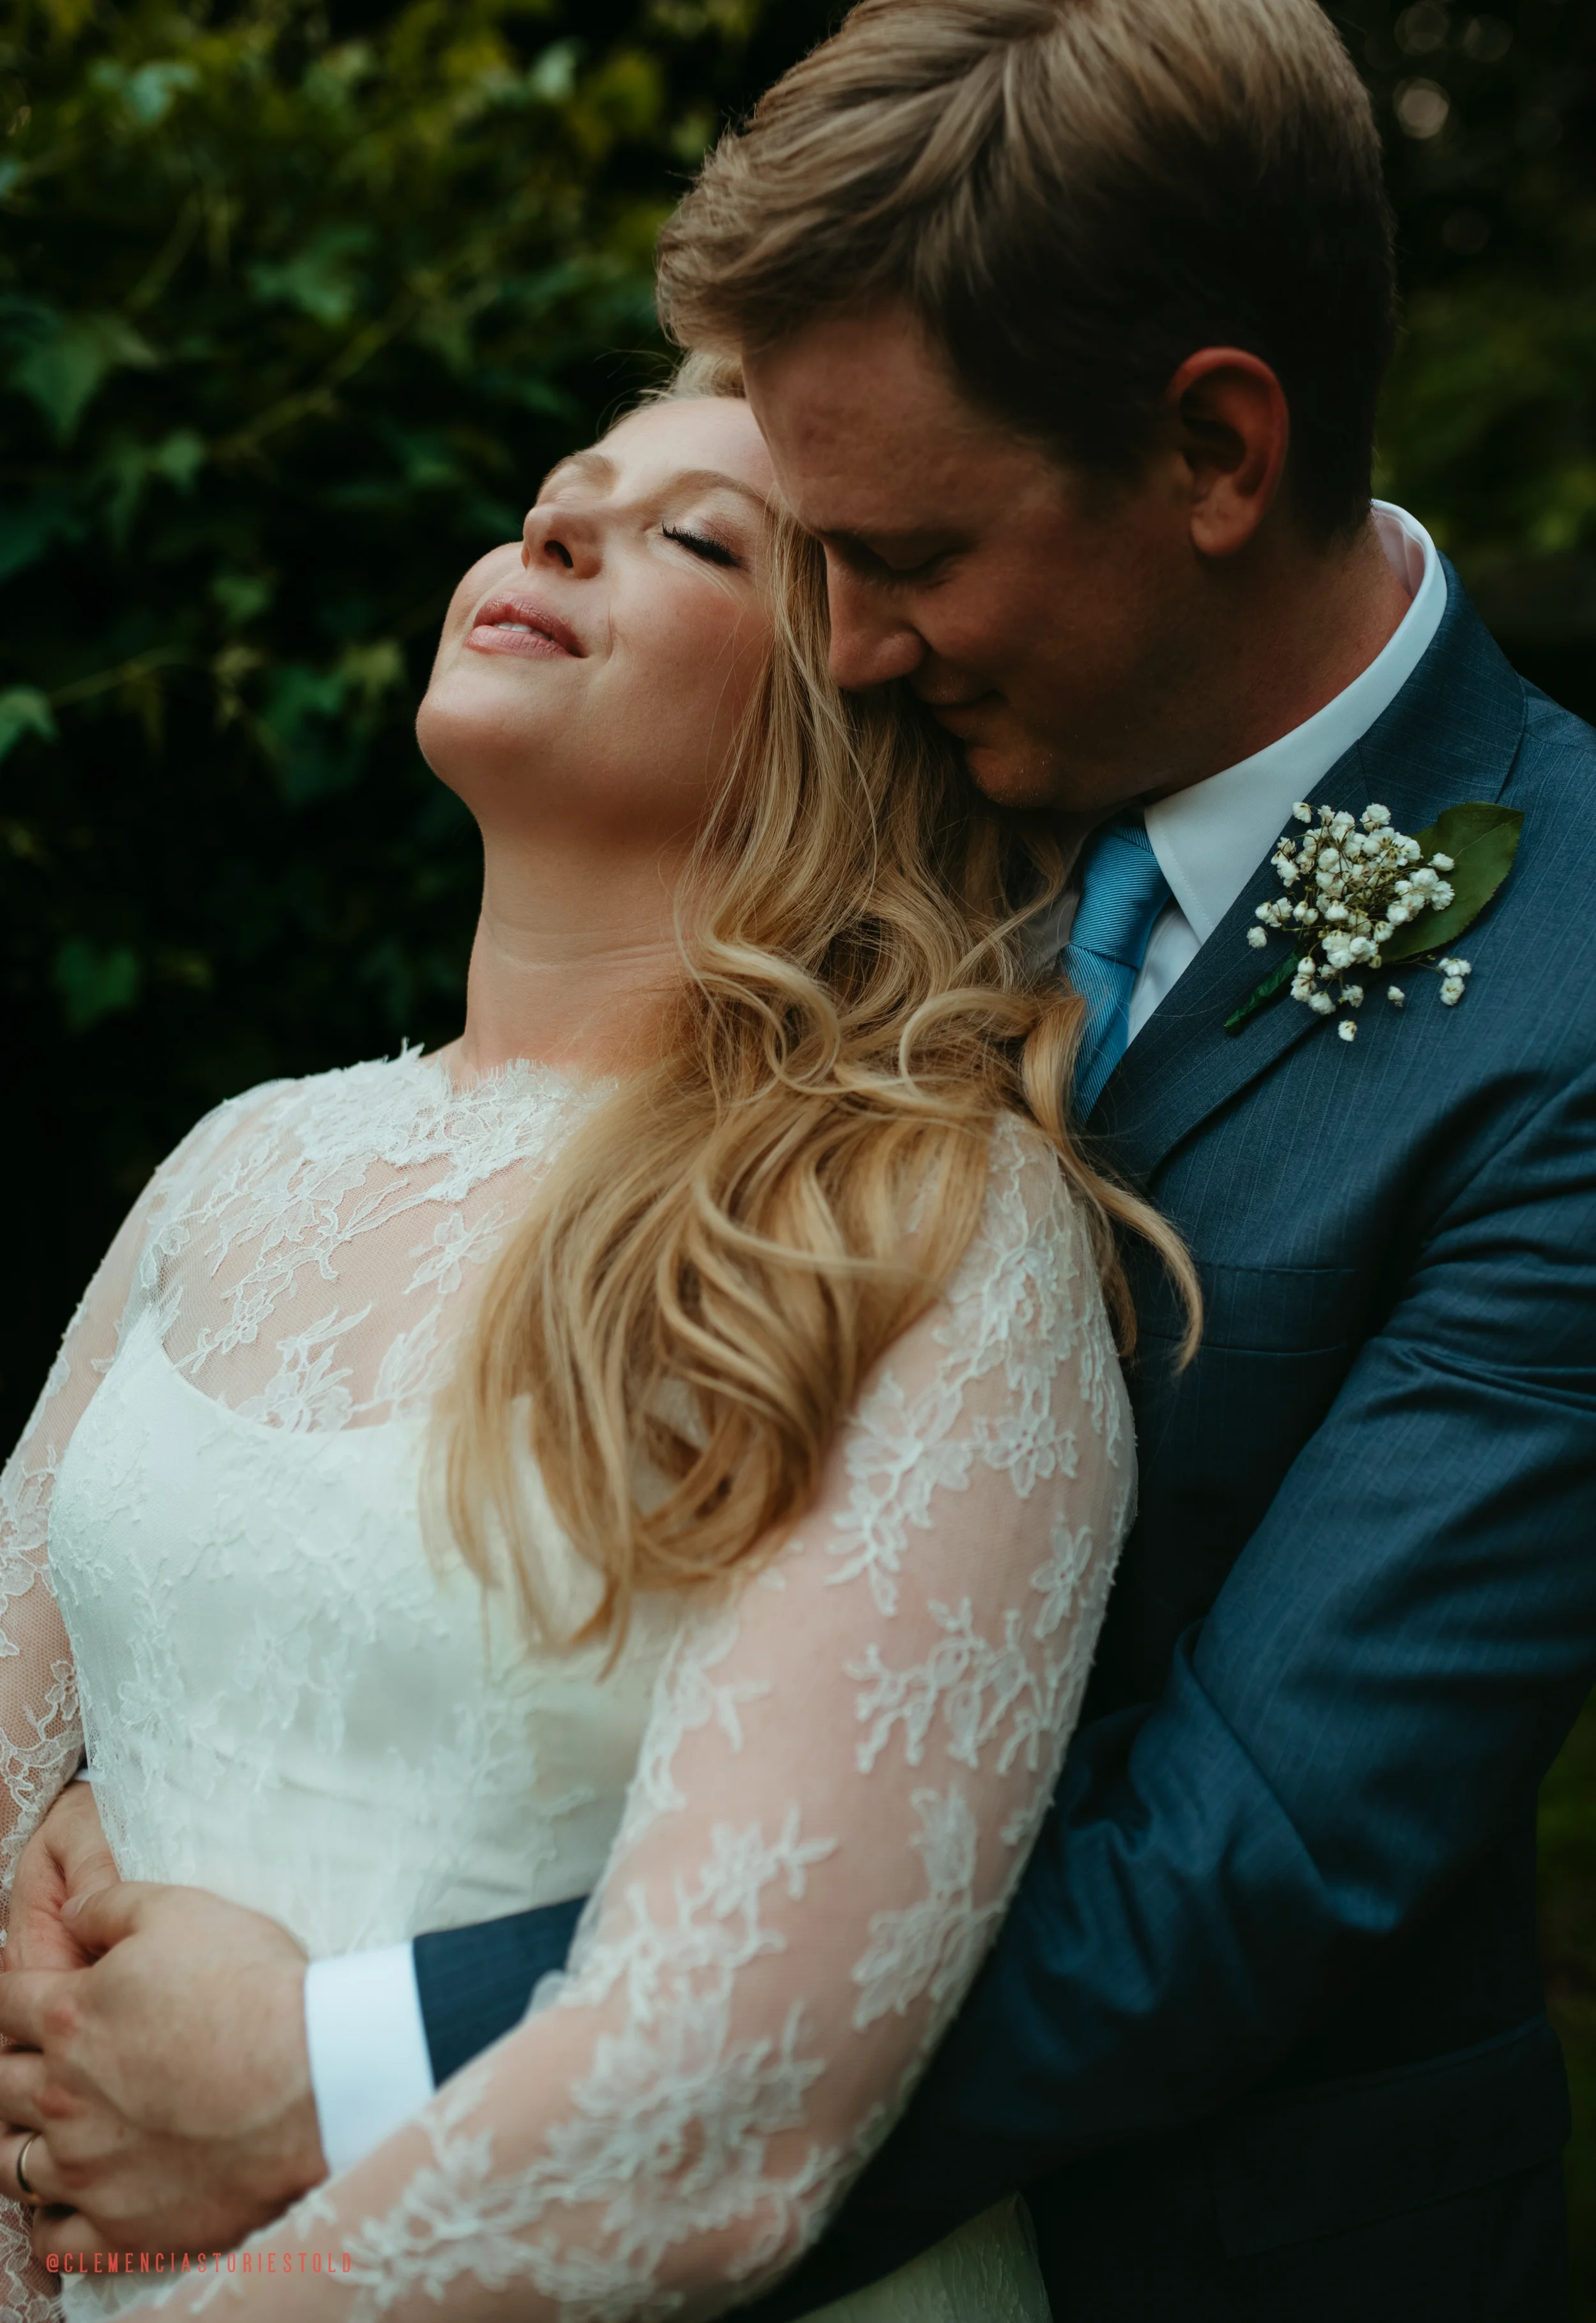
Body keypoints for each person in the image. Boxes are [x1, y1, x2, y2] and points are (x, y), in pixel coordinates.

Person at [5, 0, 1596, 2315]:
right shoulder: (910, 778)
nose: (847, 651)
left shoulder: (1561, 991)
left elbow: (1244, 1845)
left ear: (1217, 452)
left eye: (905, 556)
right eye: (814, 554)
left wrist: (339, 2065)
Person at [0, 375, 1184, 2321]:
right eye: (560, 496)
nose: (553, 535)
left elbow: (720, 2106)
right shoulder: (230, 1169)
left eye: (692, 537)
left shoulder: (911, 1223)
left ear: (842, 708)